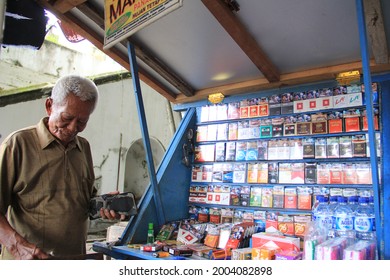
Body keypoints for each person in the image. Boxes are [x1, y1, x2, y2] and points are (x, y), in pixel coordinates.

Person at [0, 75, 121, 260]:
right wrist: (18, 247)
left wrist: (103, 205)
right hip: (29, 263)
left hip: (73, 261)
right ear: (50, 106)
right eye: (67, 117)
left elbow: (80, 202)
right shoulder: (17, 145)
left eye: (82, 122)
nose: (73, 128)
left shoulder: (83, 147)